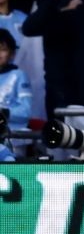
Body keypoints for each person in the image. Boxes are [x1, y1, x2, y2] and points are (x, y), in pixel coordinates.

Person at [0, 28, 32, 161]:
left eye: (2, 49)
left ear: (12, 54)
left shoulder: (19, 75)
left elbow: (26, 111)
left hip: (13, 136)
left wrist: (3, 112)